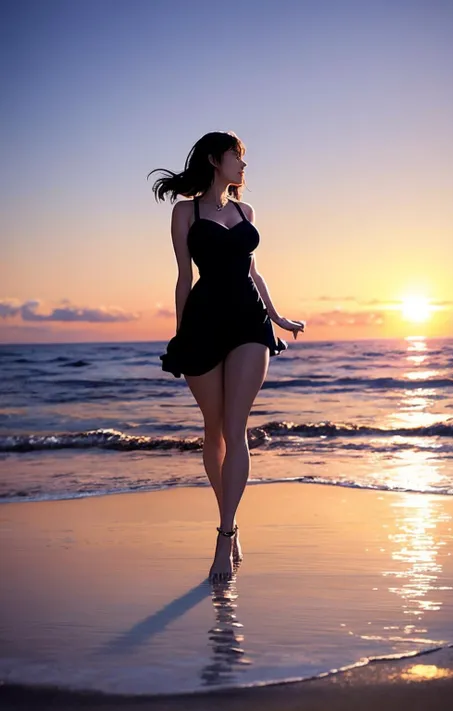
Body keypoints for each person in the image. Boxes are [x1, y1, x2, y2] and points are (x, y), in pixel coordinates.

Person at [148, 131, 305, 582]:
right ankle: (232, 524)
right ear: (216, 160)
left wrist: (277, 317)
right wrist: (180, 337)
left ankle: (224, 534)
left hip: (248, 323)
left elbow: (254, 272)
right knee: (213, 431)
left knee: (236, 430)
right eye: (238, 158)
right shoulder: (185, 212)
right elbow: (183, 278)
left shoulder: (245, 211)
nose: (244, 167)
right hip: (203, 322)